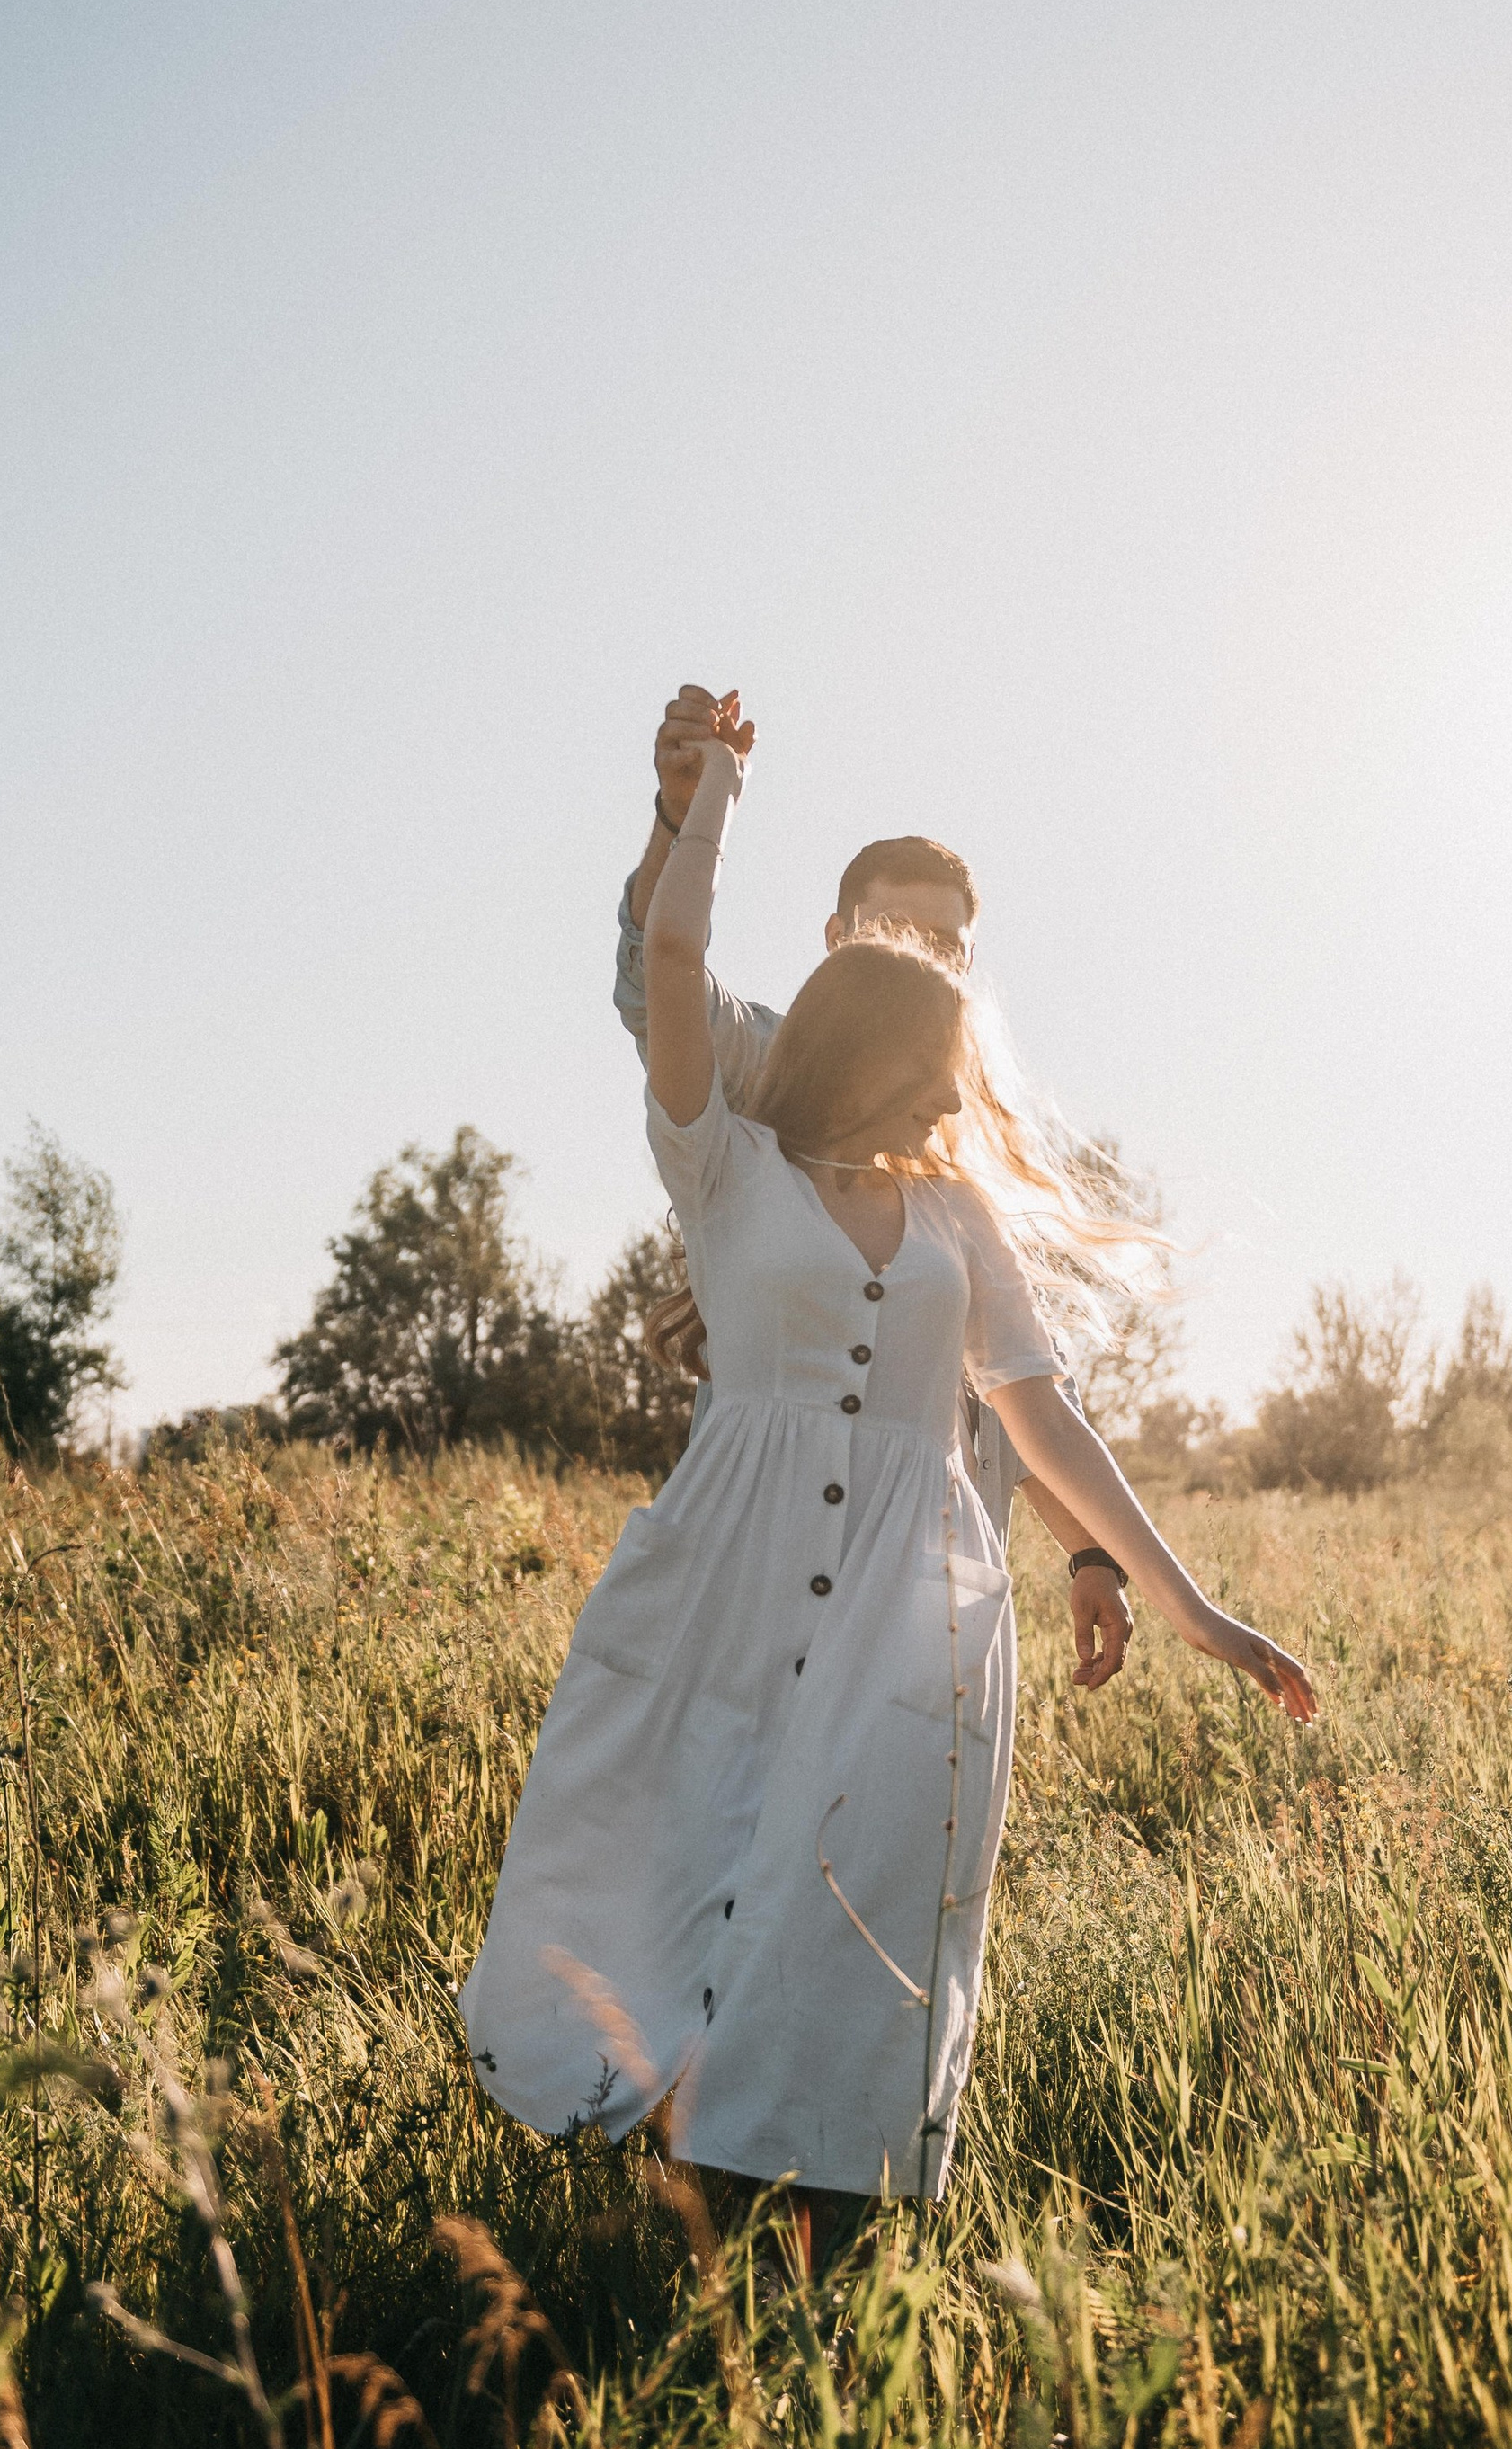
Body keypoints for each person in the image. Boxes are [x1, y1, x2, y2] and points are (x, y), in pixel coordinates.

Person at [461, 716, 1316, 2266]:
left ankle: (809, 2220)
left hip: (910, 1604)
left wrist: (1187, 1601)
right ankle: (662, 2167)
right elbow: (662, 959)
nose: (960, 1066)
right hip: (731, 1560)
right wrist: (704, 798)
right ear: (872, 1011)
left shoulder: (958, 1217)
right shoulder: (727, 1149)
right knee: (675, 1844)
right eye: (934, 1028)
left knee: (847, 1899)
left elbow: (1047, 1421)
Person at [614, 681, 1136, 1696]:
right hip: (762, 1558)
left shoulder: (970, 1144)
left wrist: (1088, 1551)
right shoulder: (765, 1064)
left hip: (928, 1582)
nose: (916, 960)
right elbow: (656, 976)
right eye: (890, 934)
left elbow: (1009, 1391)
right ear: (833, 937)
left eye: (942, 946)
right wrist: (681, 816)